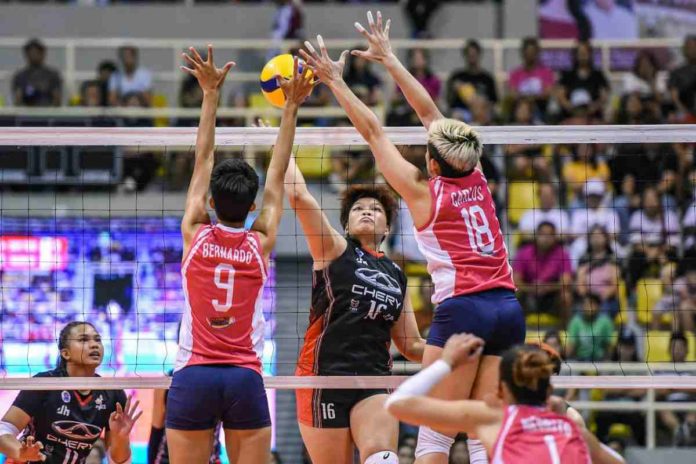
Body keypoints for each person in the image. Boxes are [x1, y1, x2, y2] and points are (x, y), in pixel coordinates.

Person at [301, 12, 523, 464]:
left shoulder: (424, 193)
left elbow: (373, 131)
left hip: (464, 307)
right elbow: (430, 115)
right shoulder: (476, 174)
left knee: (434, 436)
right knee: (482, 430)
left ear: (434, 163)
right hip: (508, 308)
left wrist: (336, 82)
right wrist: (390, 58)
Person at [165, 46, 315, 464]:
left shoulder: (194, 232)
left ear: (210, 201)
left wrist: (210, 94)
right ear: (252, 209)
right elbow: (278, 172)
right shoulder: (260, 240)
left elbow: (203, 156)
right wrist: (290, 110)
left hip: (193, 375)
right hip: (243, 377)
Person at [286, 158, 425, 461]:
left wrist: (457, 354)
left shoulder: (396, 274)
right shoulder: (335, 251)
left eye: (375, 210)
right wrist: (281, 144)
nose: (366, 212)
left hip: (373, 379)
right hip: (324, 378)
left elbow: (412, 345)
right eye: (358, 209)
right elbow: (298, 196)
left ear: (387, 227)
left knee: (381, 457)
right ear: (346, 224)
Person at [385, 334, 625, 464]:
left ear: (502, 390)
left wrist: (447, 363)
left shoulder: (494, 418)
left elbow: (397, 403)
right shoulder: (572, 427)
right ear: (549, 392)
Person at [0, 321, 141, 464]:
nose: (94, 344)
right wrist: (20, 452)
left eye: (97, 339)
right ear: (66, 353)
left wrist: (120, 437)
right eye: (83, 340)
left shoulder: (113, 394)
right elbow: (3, 430)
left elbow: (119, 461)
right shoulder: (44, 383)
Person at [513, 222, 573, 324]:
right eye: (542, 234)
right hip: (528, 294)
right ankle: (517, 331)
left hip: (552, 296)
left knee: (566, 296)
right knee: (513, 296)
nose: (546, 238)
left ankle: (564, 332)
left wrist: (547, 287)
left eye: (550, 235)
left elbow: (566, 282)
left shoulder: (563, 254)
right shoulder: (523, 253)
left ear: (555, 237)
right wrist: (533, 288)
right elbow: (516, 282)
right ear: (536, 236)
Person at [149, 380, 222, 464]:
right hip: (208, 458)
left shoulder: (167, 382)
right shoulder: (222, 380)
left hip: (172, 459)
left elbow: (156, 432)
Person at [12, 38, 62, 107]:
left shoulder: (52, 75)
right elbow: (17, 100)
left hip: (48, 114)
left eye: (36, 52)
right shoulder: (20, 76)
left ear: (43, 54)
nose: (33, 55)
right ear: (26, 55)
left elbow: (57, 100)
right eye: (31, 53)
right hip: (26, 114)